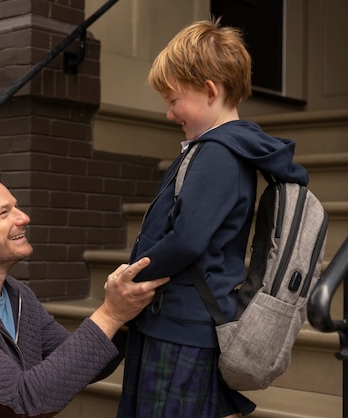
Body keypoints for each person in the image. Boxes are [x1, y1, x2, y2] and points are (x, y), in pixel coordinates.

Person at [116, 19, 309, 418]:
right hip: (175, 322)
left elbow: (186, 239)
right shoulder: (215, 149)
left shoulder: (219, 153)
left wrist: (131, 277)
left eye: (173, 100)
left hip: (181, 327)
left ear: (209, 89)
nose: (169, 114)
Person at [0, 163, 170, 417]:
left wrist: (122, 318)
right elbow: (23, 402)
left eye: (16, 207)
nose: (24, 217)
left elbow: (83, 365)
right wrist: (109, 314)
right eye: (4, 213)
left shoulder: (17, 295)